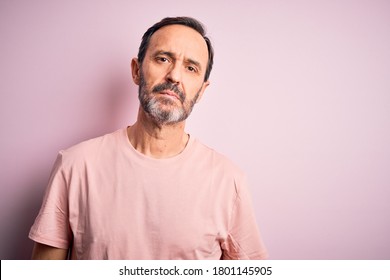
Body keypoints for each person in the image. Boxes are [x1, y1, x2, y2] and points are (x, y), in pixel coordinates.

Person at [29, 16, 268, 260]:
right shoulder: (75, 166)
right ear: (136, 70)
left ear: (202, 91)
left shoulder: (228, 181)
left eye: (191, 68)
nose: (174, 76)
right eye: (163, 59)